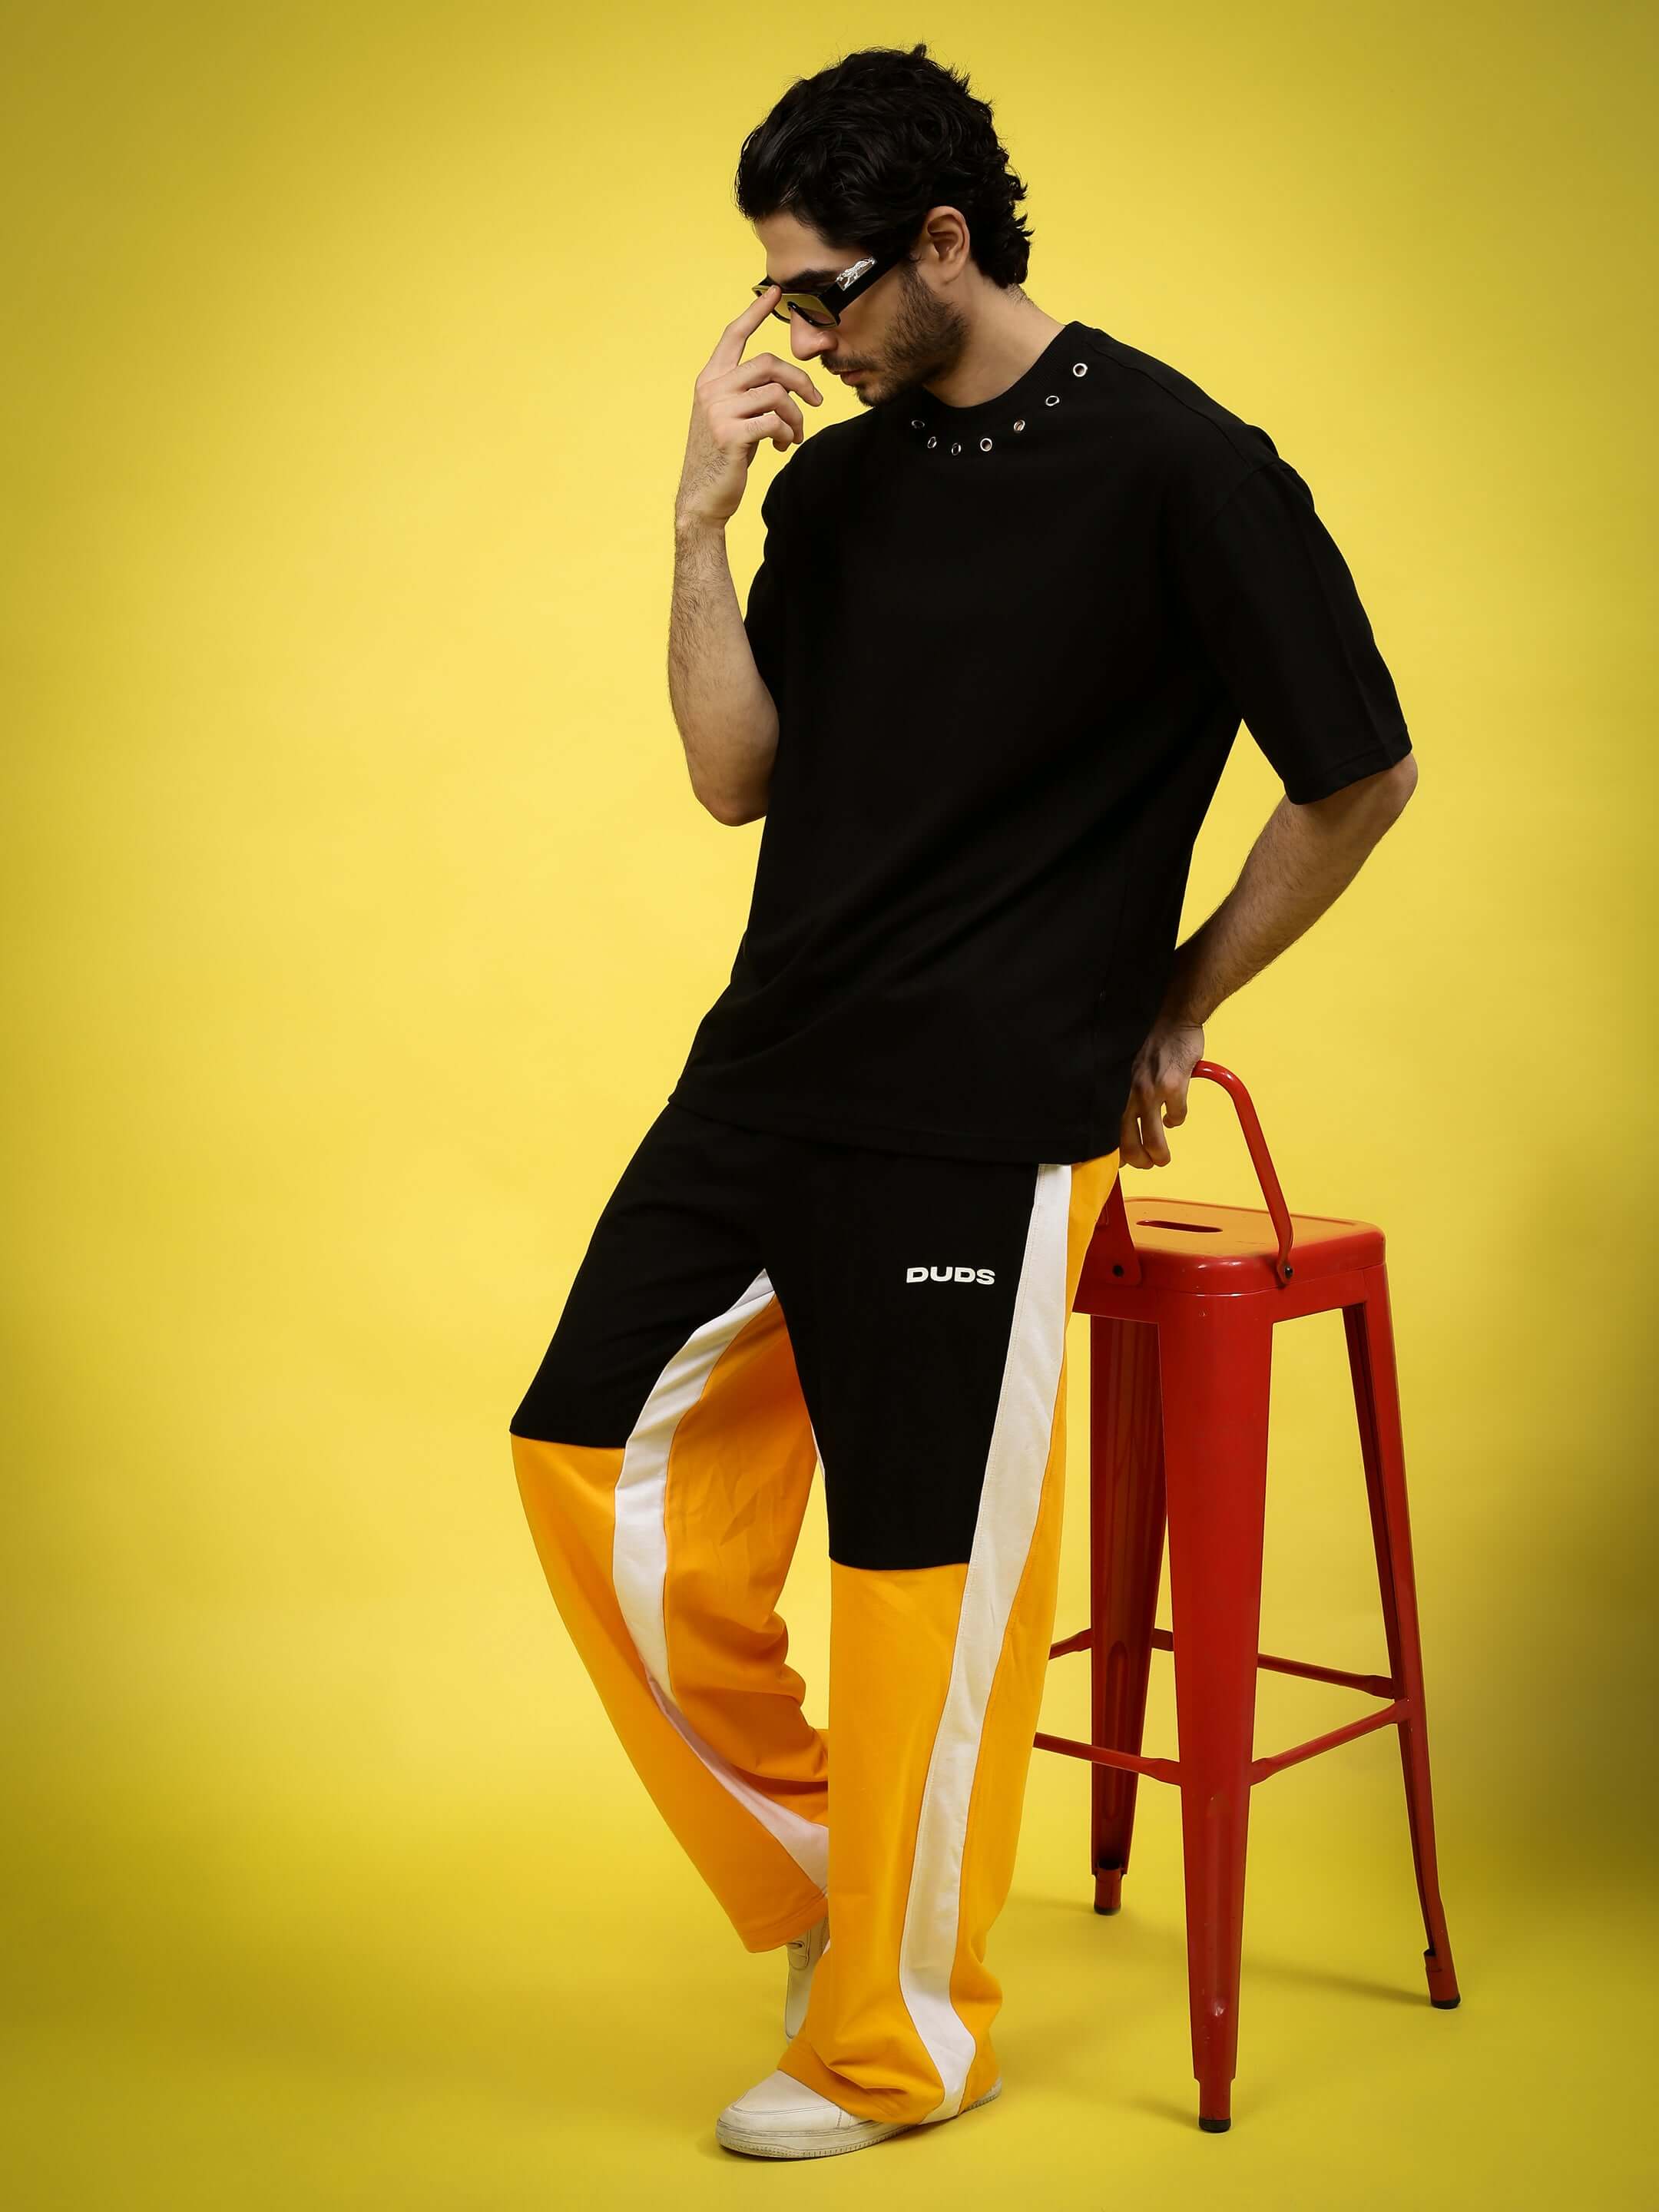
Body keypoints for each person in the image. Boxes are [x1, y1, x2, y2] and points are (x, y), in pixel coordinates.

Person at [508, 41, 1417, 2163]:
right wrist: (696, 521)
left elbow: (1358, 765)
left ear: (944, 245)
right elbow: (736, 774)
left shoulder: (1185, 463)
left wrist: (1178, 999)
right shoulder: (837, 479)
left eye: (817, 293)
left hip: (988, 1116)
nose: (790, 338)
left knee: (926, 1585)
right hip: (770, 1063)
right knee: (577, 1456)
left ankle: (900, 2036)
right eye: (773, 303)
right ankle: (859, 1880)